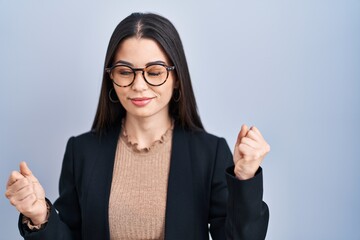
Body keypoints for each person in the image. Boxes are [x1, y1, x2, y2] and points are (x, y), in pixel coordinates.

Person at [5, 12, 270, 240]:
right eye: (124, 71)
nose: (139, 85)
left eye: (154, 72)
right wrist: (40, 215)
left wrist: (245, 177)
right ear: (111, 77)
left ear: (177, 78)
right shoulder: (82, 151)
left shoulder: (209, 152)